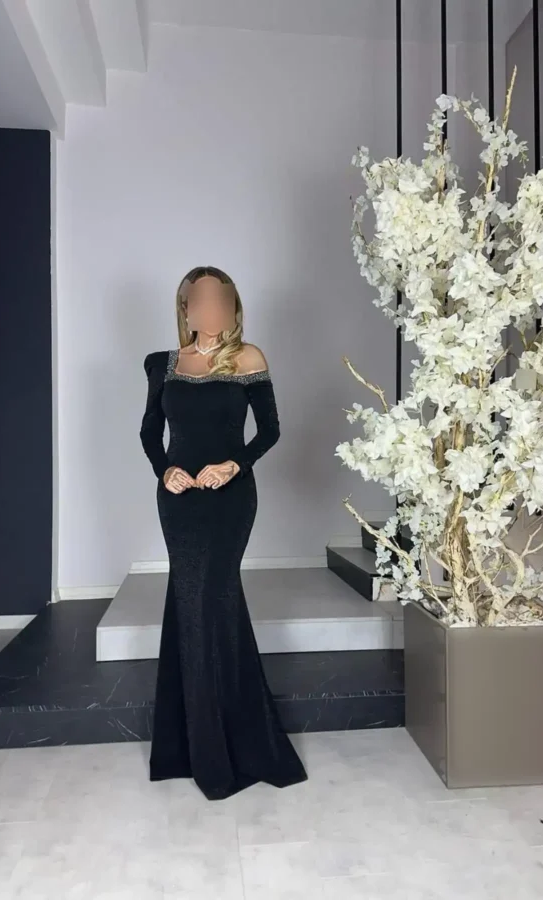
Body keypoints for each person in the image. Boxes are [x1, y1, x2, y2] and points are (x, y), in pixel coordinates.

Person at [139, 265, 308, 801]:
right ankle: (193, 745)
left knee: (210, 601)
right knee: (193, 604)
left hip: (231, 499)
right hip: (179, 500)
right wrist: (164, 470)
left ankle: (223, 745)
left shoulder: (248, 358)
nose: (211, 310)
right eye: (201, 301)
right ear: (186, 308)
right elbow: (149, 431)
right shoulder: (162, 364)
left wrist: (234, 465)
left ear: (233, 308)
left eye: (222, 301)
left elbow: (271, 430)